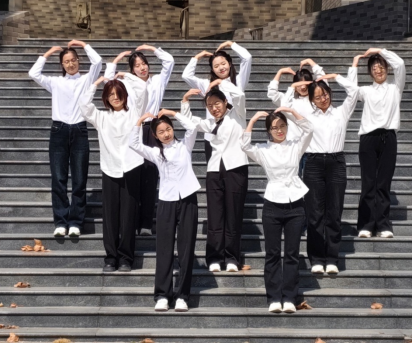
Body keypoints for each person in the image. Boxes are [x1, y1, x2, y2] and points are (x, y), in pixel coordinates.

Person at [129, 95, 201, 313]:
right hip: (166, 202)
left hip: (188, 199)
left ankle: (182, 296)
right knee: (164, 249)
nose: (166, 134)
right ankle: (162, 295)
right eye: (161, 132)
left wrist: (172, 113)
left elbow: (192, 127)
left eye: (168, 129)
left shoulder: (185, 145)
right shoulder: (154, 152)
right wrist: (139, 121)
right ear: (155, 135)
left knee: (186, 249)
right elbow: (133, 143)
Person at [241, 108, 313, 314]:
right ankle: (274, 297)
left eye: (282, 126)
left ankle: (289, 297)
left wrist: (290, 111)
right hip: (272, 204)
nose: (279, 130)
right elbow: (244, 145)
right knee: (272, 253)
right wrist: (254, 119)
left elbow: (309, 129)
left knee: (292, 253)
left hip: (296, 204)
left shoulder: (295, 146)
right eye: (274, 128)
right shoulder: (263, 150)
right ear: (269, 131)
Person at [28, 40, 102, 237]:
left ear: (78, 61)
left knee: (79, 179)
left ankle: (76, 221)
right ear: (62, 64)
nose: (71, 64)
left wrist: (83, 44)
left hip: (79, 130)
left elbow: (97, 62)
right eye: (66, 61)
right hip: (58, 131)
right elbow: (33, 73)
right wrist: (48, 53)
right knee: (59, 179)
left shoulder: (86, 80)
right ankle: (61, 221)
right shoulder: (55, 82)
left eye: (73, 60)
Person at [79, 73, 147, 273]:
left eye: (119, 94)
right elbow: (83, 105)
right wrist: (97, 83)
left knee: (128, 214)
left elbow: (143, 89)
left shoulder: (135, 112)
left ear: (125, 95)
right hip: (110, 168)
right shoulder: (101, 117)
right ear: (106, 98)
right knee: (110, 216)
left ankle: (126, 257)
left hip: (132, 167)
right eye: (111, 95)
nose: (115, 98)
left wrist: (127, 76)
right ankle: (110, 257)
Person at [106, 46, 175, 236]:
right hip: (133, 129)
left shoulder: (158, 80)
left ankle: (146, 222)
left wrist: (152, 49)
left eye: (144, 63)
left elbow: (169, 61)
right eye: (137, 65)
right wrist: (116, 60)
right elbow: (109, 82)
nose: (142, 68)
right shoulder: (127, 82)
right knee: (133, 174)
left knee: (150, 175)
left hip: (152, 129)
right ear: (132, 69)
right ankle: (131, 221)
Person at [181, 85, 249, 273]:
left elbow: (240, 94)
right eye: (209, 105)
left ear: (225, 102)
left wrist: (222, 82)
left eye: (217, 103)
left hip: (236, 169)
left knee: (233, 215)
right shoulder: (209, 123)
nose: (214, 108)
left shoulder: (238, 115)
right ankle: (214, 257)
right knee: (215, 216)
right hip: (214, 171)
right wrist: (185, 101)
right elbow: (189, 121)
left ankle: (232, 258)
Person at [301, 63, 359, 275]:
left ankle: (332, 258)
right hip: (313, 163)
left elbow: (354, 91)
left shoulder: (341, 112)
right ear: (312, 100)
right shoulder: (308, 116)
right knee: (315, 214)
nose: (323, 99)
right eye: (317, 97)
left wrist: (335, 77)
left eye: (325, 94)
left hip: (336, 163)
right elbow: (288, 102)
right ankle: (316, 258)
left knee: (334, 213)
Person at [355, 48, 406, 239]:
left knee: (383, 183)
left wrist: (380, 51)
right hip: (368, 139)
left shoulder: (395, 88)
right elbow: (351, 90)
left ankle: (383, 224)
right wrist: (354, 65)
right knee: (368, 183)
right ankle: (366, 225)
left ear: (387, 68)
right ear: (370, 72)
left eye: (381, 66)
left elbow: (400, 64)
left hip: (388, 138)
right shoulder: (365, 91)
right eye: (374, 67)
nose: (378, 70)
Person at [182, 41, 252, 162]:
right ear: (212, 70)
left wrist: (231, 44)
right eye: (216, 66)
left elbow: (247, 58)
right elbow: (186, 76)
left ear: (229, 63)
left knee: (235, 171)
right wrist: (197, 57)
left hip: (234, 136)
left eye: (223, 63)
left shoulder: (238, 81)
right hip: (213, 136)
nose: (221, 68)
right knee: (214, 171)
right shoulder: (207, 85)